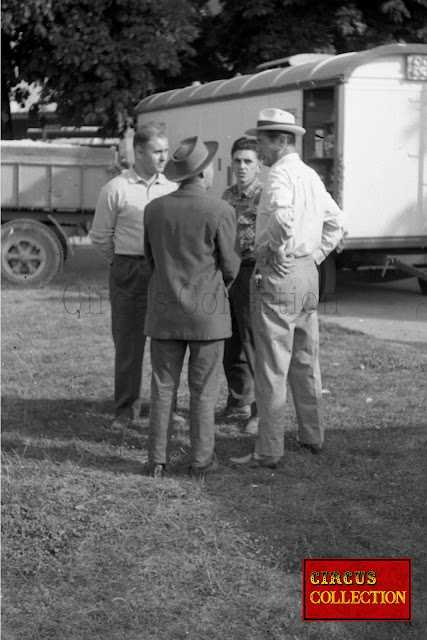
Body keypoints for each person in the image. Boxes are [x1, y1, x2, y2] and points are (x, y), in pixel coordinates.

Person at [230, 108, 345, 468]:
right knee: (305, 359)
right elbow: (337, 222)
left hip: (280, 273)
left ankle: (268, 449)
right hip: (308, 272)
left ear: (281, 141)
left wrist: (273, 250)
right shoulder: (309, 174)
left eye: (263, 141)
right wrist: (315, 254)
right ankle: (312, 436)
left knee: (271, 365)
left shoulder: (280, 175)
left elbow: (281, 218)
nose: (259, 149)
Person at [143, 136, 241, 477]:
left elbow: (150, 259)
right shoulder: (221, 210)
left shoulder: (154, 209)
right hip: (208, 316)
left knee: (162, 387)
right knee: (203, 391)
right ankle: (201, 460)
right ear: (203, 172)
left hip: (164, 312)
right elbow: (231, 266)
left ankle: (157, 459)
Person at [90, 122, 177, 429]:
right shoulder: (116, 189)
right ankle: (126, 411)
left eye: (166, 151)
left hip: (165, 272)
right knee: (129, 343)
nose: (164, 157)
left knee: (168, 343)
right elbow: (100, 237)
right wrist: (125, 264)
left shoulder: (172, 188)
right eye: (157, 151)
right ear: (139, 152)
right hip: (129, 271)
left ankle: (168, 409)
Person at [222, 137, 263, 435]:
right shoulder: (226, 195)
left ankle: (260, 412)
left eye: (248, 161)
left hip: (252, 271)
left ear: (259, 165)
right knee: (230, 341)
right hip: (228, 274)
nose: (242, 167)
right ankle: (238, 402)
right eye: (237, 161)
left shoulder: (265, 197)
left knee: (253, 343)